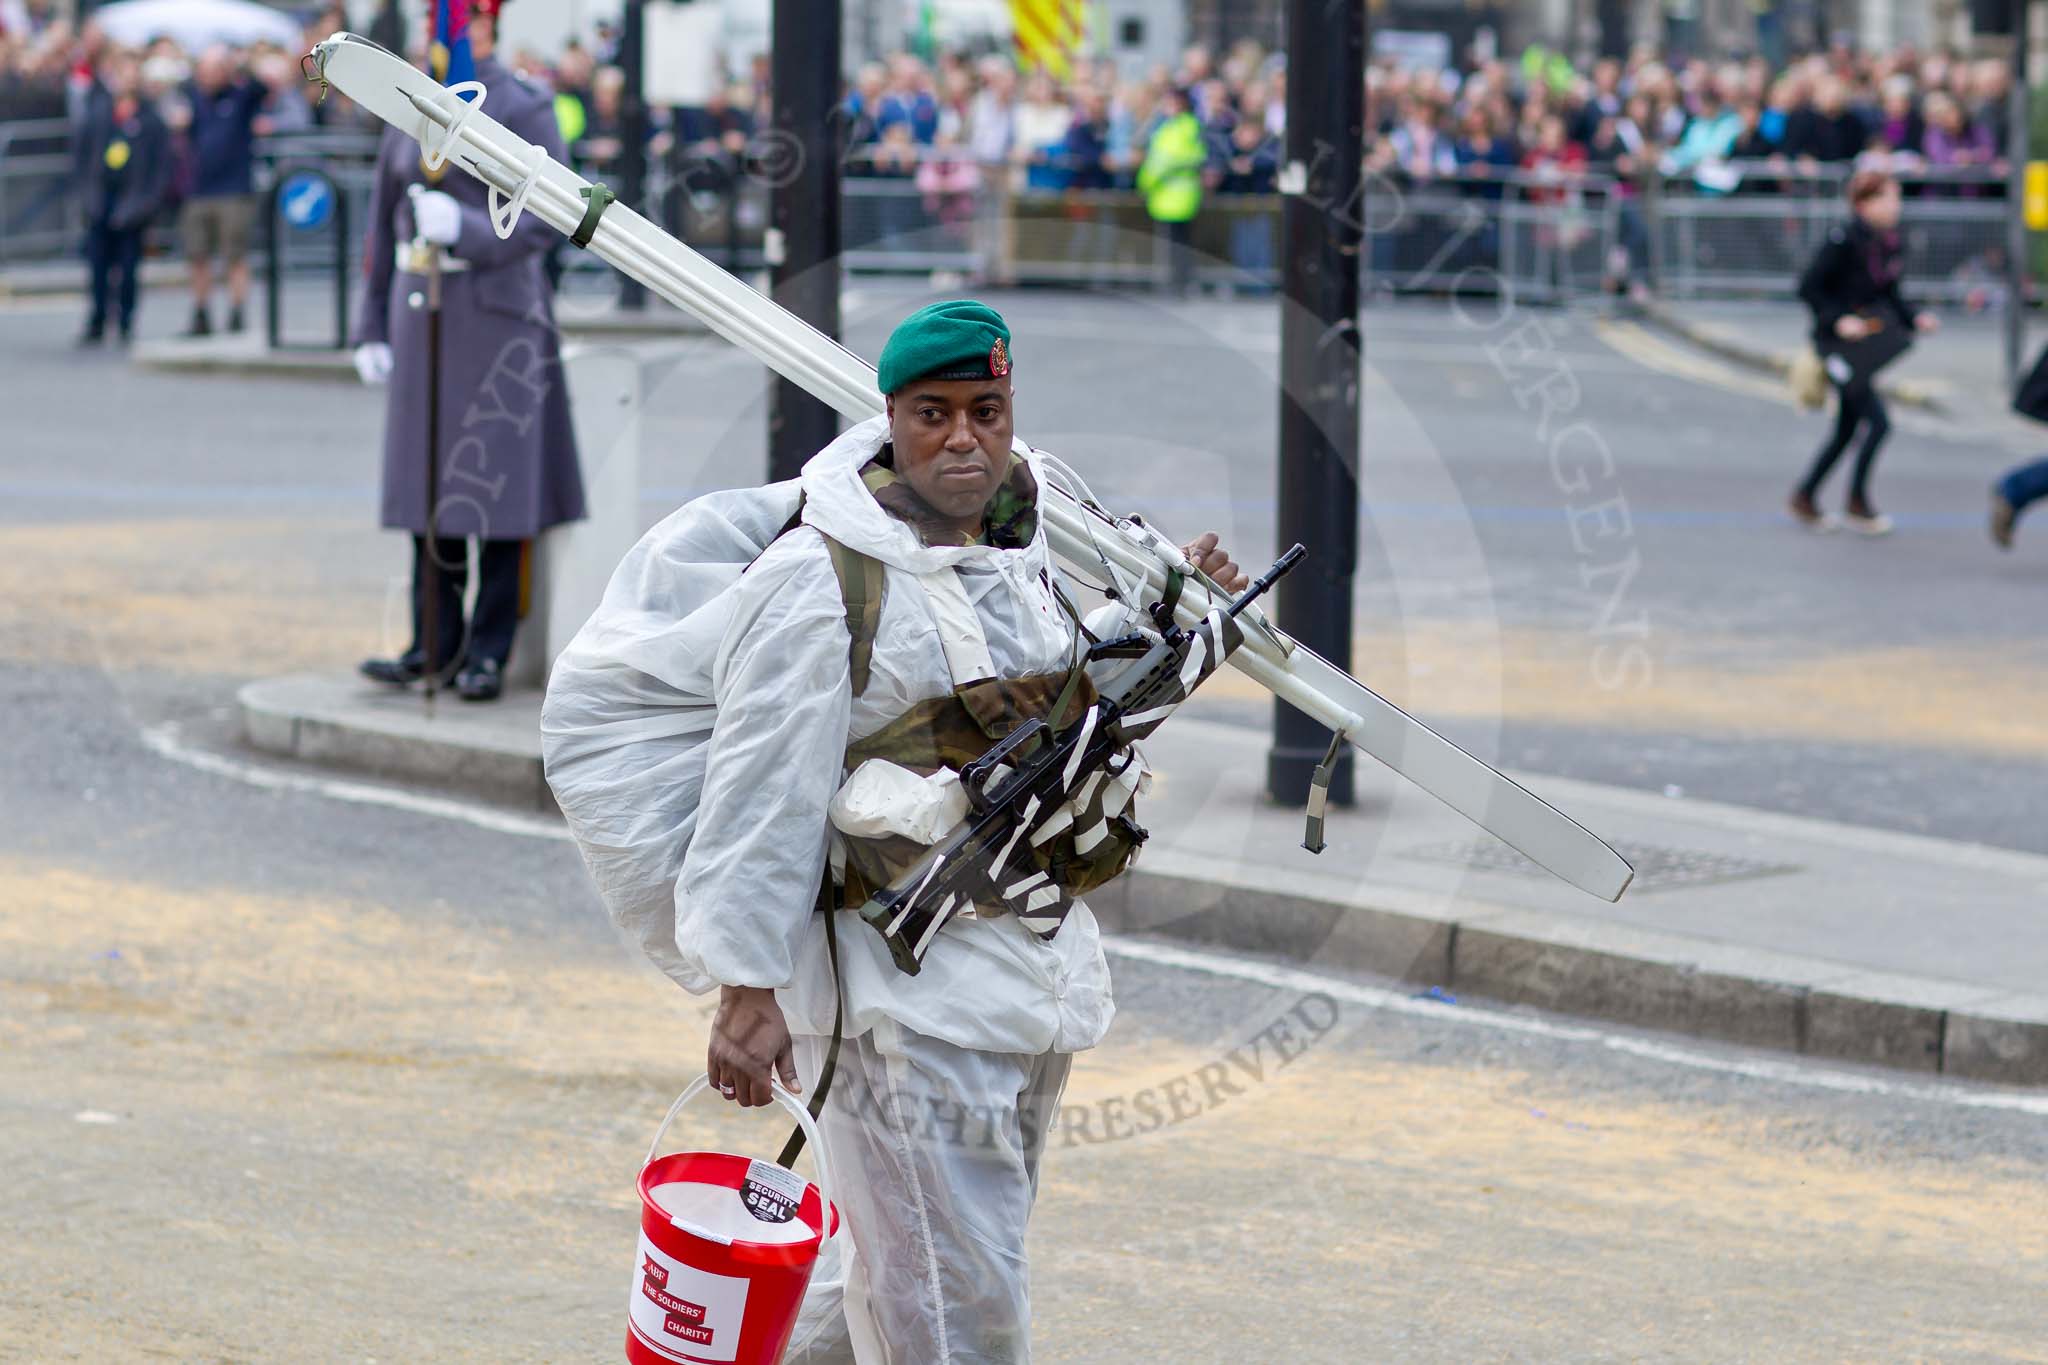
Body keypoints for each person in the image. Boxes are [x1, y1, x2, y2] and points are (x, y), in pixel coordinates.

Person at [546, 300, 1248, 1364]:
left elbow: (1053, 703)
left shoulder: (1025, 544)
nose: (961, 437)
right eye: (933, 414)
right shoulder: (823, 579)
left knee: (891, 1275)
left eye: (985, 410)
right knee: (956, 1309)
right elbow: (760, 791)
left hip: (1023, 977)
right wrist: (745, 990)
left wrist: (1170, 626)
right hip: (893, 1003)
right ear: (890, 419)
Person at [351, 0, 584, 701]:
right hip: (426, 310)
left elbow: (554, 212)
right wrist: (369, 322)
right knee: (429, 491)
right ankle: (433, 644)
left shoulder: (523, 105)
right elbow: (381, 218)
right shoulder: (411, 100)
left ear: (487, 25)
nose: (444, 36)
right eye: (439, 24)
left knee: (498, 490)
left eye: (458, 23)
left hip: (498, 314)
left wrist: (470, 229)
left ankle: (488, 648)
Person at [1790, 169, 1938, 535]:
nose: (1896, 206)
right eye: (1889, 198)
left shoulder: (1884, 243)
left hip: (1862, 346)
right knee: (1877, 422)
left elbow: (1888, 291)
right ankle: (1856, 502)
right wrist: (1837, 319)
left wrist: (1915, 317)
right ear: (1864, 203)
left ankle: (1806, 495)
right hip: (1836, 346)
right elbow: (1808, 287)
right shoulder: (1843, 241)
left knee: (1848, 427)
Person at [73, 47, 169, 346]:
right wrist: (85, 195)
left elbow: (160, 166)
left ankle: (126, 319)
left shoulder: (151, 118)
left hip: (133, 204)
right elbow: (82, 154)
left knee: (128, 268)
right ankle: (98, 317)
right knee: (98, 265)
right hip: (102, 199)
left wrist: (147, 202)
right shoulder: (99, 112)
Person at [178, 45, 267, 337]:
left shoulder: (240, 97)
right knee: (198, 255)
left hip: (233, 190)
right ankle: (201, 312)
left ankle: (237, 311)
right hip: (199, 189)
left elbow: (260, 88)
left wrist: (239, 64)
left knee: (234, 255)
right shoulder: (196, 98)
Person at [1136, 86, 1210, 293]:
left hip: (1178, 194)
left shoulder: (1188, 126)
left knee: (1179, 241)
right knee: (1170, 242)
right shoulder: (1164, 127)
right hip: (1162, 194)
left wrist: (1150, 179)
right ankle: (1173, 279)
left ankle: (1180, 280)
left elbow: (1185, 157)